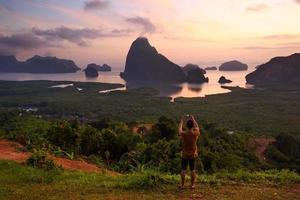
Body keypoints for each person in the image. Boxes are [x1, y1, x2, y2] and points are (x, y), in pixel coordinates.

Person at [178, 115, 200, 189]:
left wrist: (181, 121)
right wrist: (193, 119)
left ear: (186, 126)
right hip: (193, 154)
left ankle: (182, 185)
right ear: (192, 126)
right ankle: (192, 185)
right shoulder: (195, 134)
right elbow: (197, 127)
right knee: (192, 170)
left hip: (184, 154)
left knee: (183, 169)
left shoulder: (184, 134)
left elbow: (179, 130)